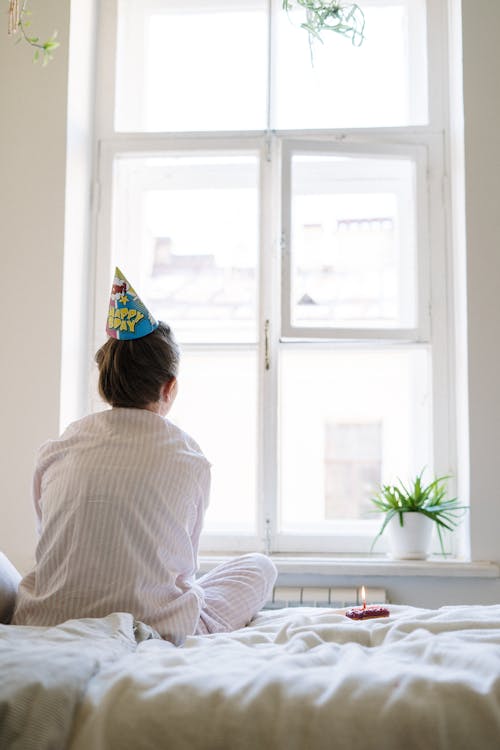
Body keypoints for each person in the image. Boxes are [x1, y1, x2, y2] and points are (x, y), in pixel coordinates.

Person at [12, 268, 277, 644]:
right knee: (260, 568)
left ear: (106, 382)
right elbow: (185, 567)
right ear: (169, 387)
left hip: (47, 618)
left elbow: (50, 541)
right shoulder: (189, 456)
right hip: (153, 626)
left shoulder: (57, 449)